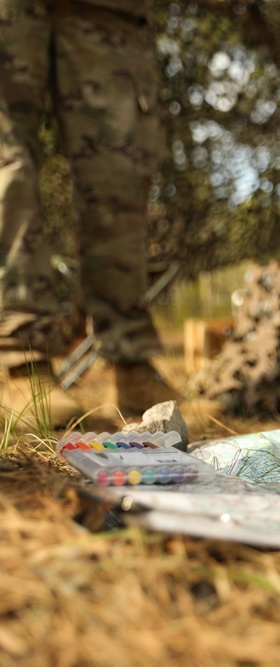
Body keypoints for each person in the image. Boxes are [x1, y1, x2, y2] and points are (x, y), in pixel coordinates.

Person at [0, 0, 179, 429]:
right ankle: (22, 365)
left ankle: (133, 367)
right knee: (8, 161)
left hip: (108, 10)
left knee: (118, 177)